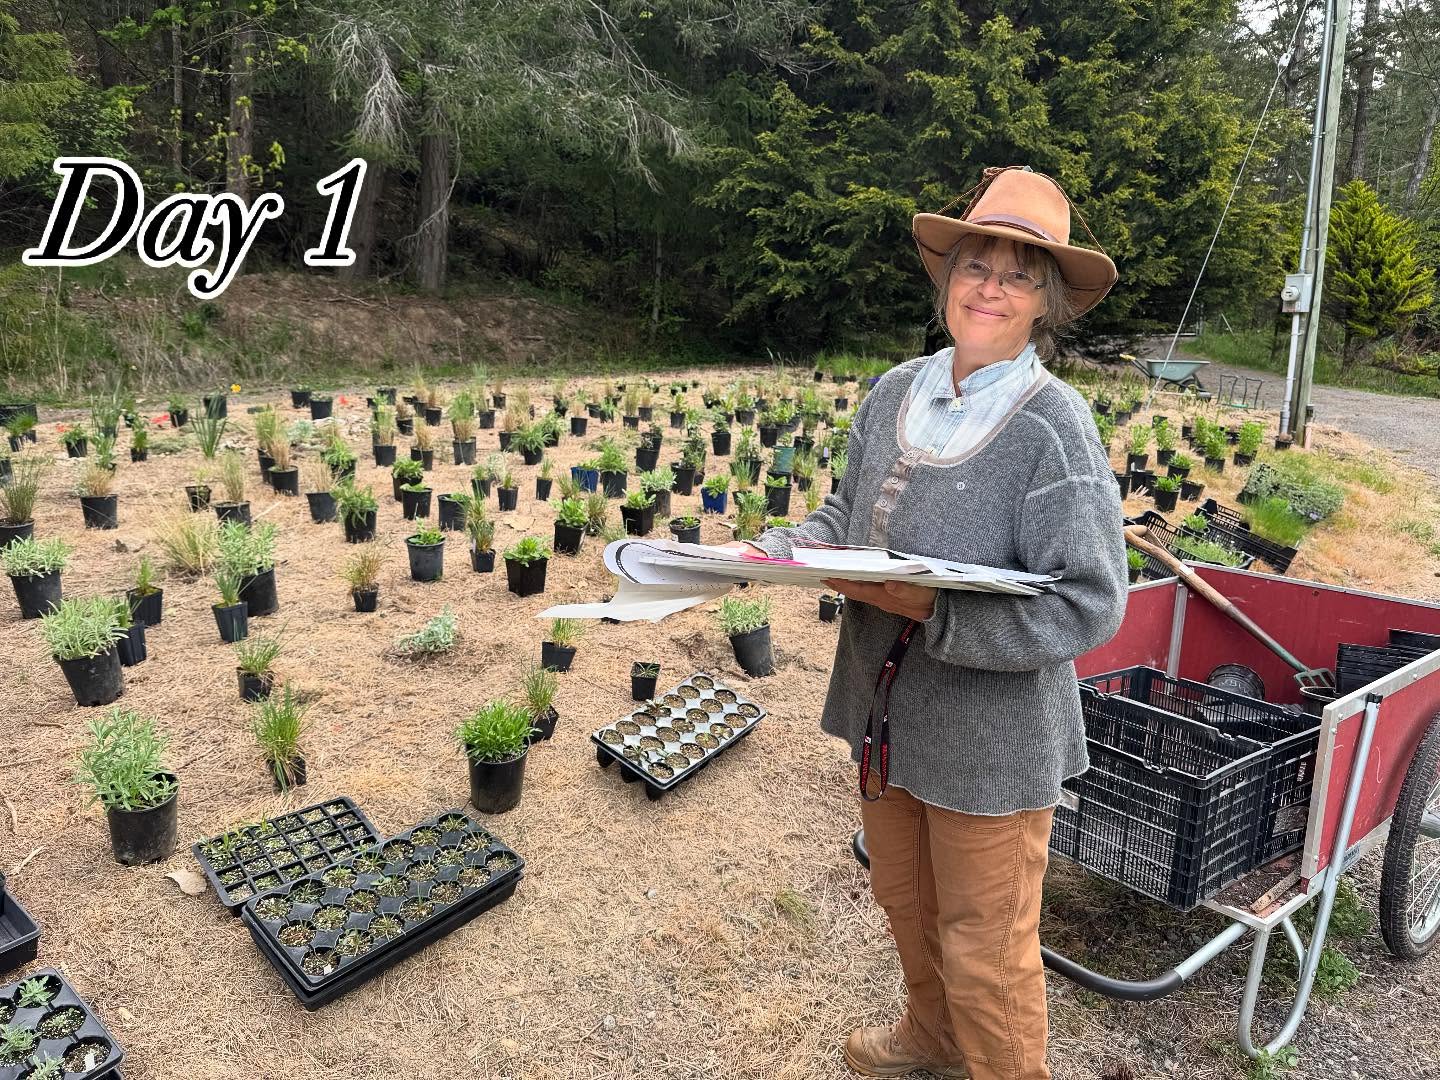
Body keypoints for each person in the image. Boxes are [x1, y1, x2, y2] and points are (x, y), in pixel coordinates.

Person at [730, 166, 1129, 1080]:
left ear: (1048, 304)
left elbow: (1089, 600)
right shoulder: (895, 391)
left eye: (1018, 274)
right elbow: (847, 518)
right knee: (905, 901)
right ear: (945, 280)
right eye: (974, 265)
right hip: (887, 716)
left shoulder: (1053, 429)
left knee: (988, 948)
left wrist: (940, 615)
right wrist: (780, 550)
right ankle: (932, 1038)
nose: (989, 286)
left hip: (991, 743)